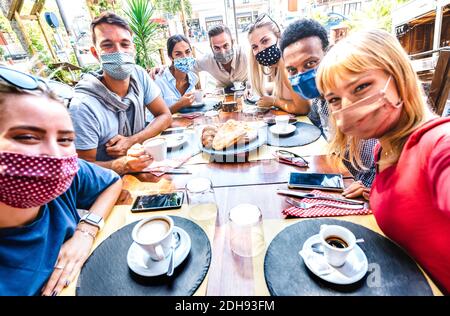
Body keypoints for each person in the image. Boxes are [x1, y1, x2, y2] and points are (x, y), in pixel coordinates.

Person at [316, 29, 450, 294]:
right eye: (334, 99)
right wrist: (375, 195)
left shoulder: (436, 142)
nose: (347, 105)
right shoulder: (383, 148)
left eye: (361, 87)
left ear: (398, 76)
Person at [0, 66, 123, 296]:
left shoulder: (66, 179)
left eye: (65, 139)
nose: (55, 155)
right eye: (27, 137)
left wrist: (86, 230)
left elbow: (112, 182)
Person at [69, 12, 172, 175]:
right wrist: (122, 165)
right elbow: (82, 169)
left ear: (134, 49)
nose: (118, 52)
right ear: (95, 53)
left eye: (125, 44)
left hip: (146, 171)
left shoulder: (138, 75)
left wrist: (132, 140)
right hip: (109, 187)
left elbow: (165, 115)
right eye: (107, 45)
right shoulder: (83, 106)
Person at [280, 18, 377, 191]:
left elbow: (383, 157)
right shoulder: (319, 99)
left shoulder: (354, 97)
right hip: (339, 176)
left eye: (310, 63)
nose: (301, 75)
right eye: (292, 70)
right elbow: (315, 127)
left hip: (363, 187)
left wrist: (369, 186)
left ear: (329, 53)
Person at [149, 24, 247, 89]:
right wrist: (164, 67)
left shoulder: (245, 54)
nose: (222, 51)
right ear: (211, 47)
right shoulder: (207, 60)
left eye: (226, 46)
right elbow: (186, 63)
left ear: (233, 43)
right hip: (223, 95)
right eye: (216, 48)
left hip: (249, 92)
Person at [247, 14, 310, 115]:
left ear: (279, 37)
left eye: (265, 41)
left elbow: (303, 108)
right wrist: (255, 89)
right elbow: (286, 88)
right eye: (255, 47)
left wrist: (273, 101)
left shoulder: (288, 65)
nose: (261, 50)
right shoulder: (275, 65)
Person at [154, 35, 198, 113]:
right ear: (171, 57)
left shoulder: (193, 78)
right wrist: (179, 105)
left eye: (187, 52)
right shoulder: (159, 81)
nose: (185, 57)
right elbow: (154, 116)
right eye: (178, 54)